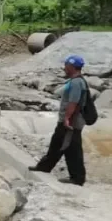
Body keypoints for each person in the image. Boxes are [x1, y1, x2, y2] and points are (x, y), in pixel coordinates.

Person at [28, 55, 88, 186]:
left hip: (71, 121)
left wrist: (67, 118)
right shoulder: (75, 81)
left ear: (71, 67)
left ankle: (77, 178)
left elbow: (73, 102)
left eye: (66, 65)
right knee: (57, 144)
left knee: (72, 149)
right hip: (69, 120)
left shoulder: (77, 83)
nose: (64, 68)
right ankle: (44, 167)